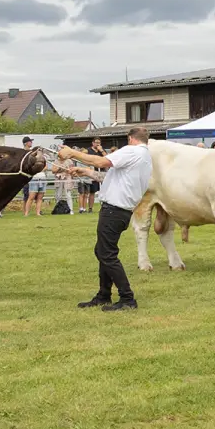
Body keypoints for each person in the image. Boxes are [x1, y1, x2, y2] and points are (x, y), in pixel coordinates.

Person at [57, 127, 152, 311]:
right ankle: (104, 294)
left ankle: (127, 298)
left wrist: (72, 152)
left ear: (130, 138)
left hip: (113, 210)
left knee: (107, 254)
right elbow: (111, 176)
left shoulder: (131, 151)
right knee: (102, 251)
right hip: (122, 211)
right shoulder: (146, 158)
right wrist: (87, 172)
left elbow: (102, 161)